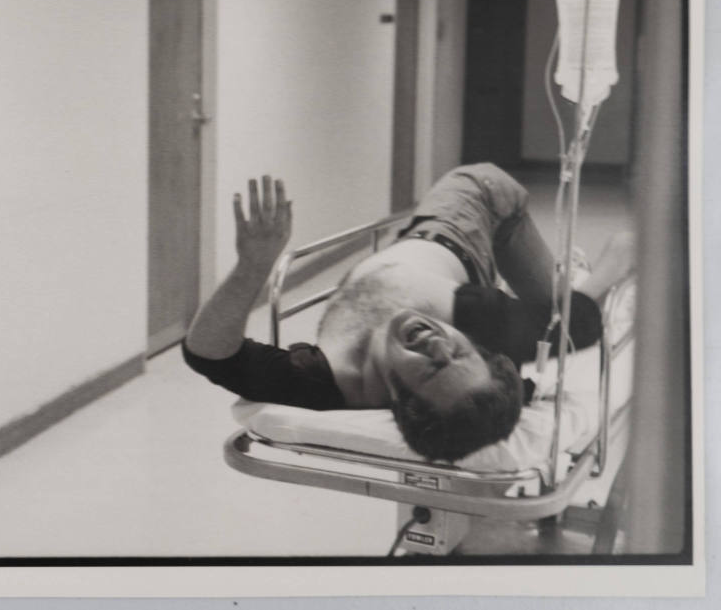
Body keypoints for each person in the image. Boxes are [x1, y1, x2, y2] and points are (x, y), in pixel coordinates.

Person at [182, 164, 633, 462]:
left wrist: (253, 266)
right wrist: (621, 253)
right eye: (458, 355)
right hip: (468, 223)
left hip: (443, 241)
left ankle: (556, 278)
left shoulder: (324, 382)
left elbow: (208, 354)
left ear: (397, 401)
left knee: (541, 304)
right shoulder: (475, 323)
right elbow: (580, 326)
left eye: (433, 368)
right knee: (548, 289)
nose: (440, 343)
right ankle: (569, 273)